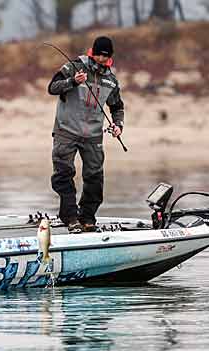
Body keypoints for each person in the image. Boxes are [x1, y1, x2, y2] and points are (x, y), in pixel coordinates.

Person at [48, 36, 124, 233]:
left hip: (93, 136)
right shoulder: (74, 67)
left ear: (110, 58)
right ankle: (70, 217)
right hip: (66, 131)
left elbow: (117, 107)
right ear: (92, 53)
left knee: (95, 178)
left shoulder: (111, 80)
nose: (101, 60)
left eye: (105, 58)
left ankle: (87, 218)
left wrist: (118, 125)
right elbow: (52, 88)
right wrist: (72, 81)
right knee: (63, 175)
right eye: (98, 56)